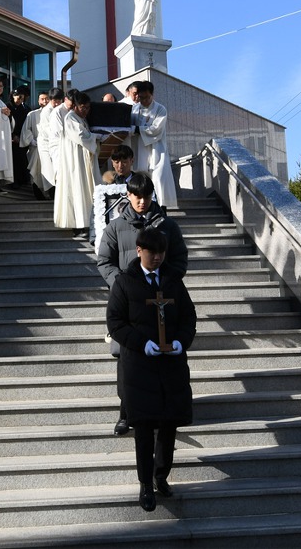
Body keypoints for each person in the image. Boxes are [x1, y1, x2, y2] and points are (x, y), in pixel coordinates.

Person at [107, 227, 196, 512]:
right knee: (144, 428)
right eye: (152, 252)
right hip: (139, 367)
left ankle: (161, 476)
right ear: (139, 251)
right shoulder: (124, 282)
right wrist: (141, 344)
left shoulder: (173, 281)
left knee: (169, 424)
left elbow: (188, 318)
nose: (157, 258)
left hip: (171, 366)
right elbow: (115, 323)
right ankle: (145, 484)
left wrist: (181, 341)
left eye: (161, 252)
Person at [97, 172, 188, 435]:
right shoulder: (116, 227)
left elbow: (180, 260)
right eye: (137, 196)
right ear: (128, 195)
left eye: (146, 196)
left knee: (162, 357)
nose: (142, 201)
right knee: (128, 358)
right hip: (129, 305)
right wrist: (123, 287)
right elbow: (104, 261)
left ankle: (162, 412)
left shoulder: (167, 226)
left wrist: (166, 282)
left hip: (161, 302)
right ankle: (126, 413)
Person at [53, 91, 101, 236]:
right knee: (77, 190)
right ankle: (77, 226)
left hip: (83, 160)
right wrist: (97, 136)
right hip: (74, 162)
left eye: (87, 108)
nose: (85, 110)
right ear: (75, 106)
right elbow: (81, 136)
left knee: (85, 191)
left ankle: (87, 224)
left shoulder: (81, 119)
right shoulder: (70, 118)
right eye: (82, 107)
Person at [131, 80, 178, 208]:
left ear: (152, 95)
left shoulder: (160, 109)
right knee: (141, 179)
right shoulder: (135, 109)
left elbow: (156, 129)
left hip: (156, 149)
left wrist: (137, 129)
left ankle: (162, 208)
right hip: (140, 148)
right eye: (141, 98)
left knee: (158, 178)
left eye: (147, 97)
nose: (144, 101)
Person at [21, 91, 54, 200]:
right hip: (36, 148)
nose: (45, 101)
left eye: (47, 98)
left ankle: (52, 194)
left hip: (50, 148)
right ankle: (39, 194)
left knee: (50, 171)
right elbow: (26, 130)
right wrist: (31, 140)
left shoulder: (54, 113)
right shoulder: (32, 114)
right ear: (38, 100)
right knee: (36, 171)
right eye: (42, 99)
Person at [9, 85, 32, 187]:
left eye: (21, 98)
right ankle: (14, 182)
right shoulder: (7, 107)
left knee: (23, 159)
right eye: (17, 97)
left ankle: (24, 180)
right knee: (14, 161)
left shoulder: (25, 108)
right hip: (12, 138)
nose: (19, 100)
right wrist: (13, 135)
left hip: (23, 138)